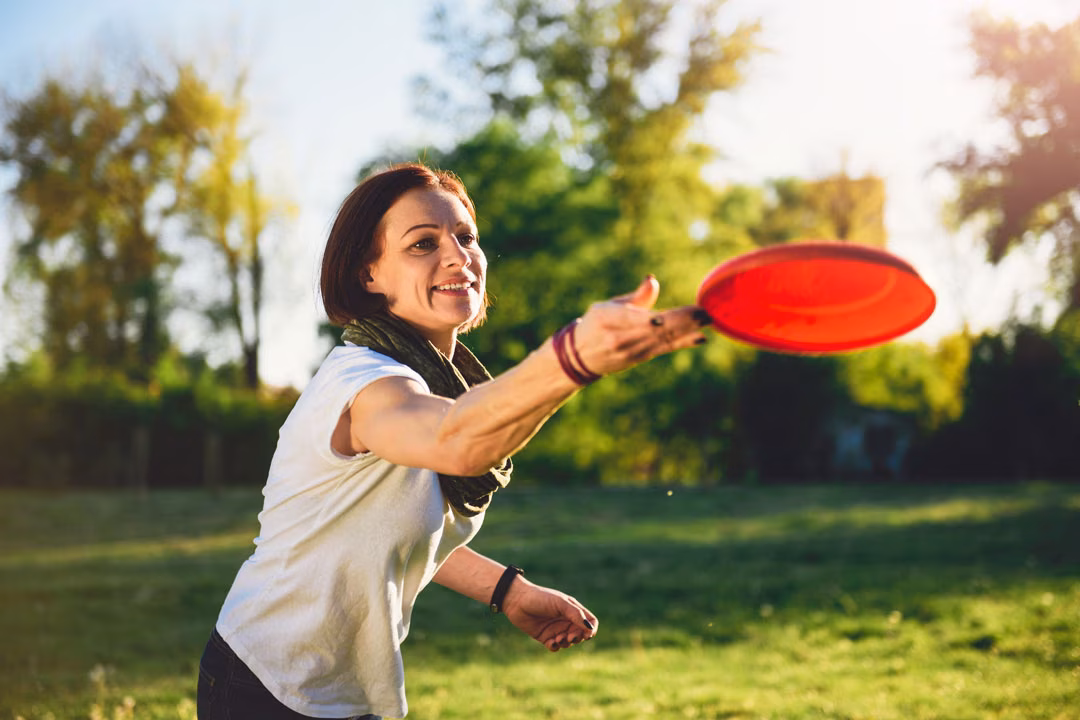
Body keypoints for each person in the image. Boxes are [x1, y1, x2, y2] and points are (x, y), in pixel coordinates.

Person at [196, 162, 711, 719]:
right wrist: (574, 358)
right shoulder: (364, 384)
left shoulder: (433, 380)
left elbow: (391, 528)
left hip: (341, 691)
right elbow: (460, 442)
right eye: (423, 243)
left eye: (466, 237)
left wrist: (508, 591)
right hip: (264, 684)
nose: (457, 256)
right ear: (369, 275)